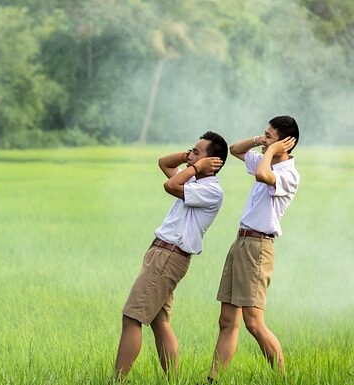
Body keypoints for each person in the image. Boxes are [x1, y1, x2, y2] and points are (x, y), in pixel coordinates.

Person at [114, 131, 228, 379]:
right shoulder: (195, 182)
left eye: (197, 152)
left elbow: (170, 185)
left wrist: (195, 166)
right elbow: (164, 163)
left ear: (213, 162)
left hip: (168, 256)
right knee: (159, 321)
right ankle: (174, 380)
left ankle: (115, 380)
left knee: (132, 317)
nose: (190, 157)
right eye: (191, 151)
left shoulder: (211, 191)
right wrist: (191, 158)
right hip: (163, 254)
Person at [205, 116, 300, 383]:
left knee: (254, 322)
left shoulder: (288, 174)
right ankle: (213, 379)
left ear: (284, 144)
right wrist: (262, 141)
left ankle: (281, 378)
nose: (263, 139)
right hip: (241, 242)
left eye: (269, 135)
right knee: (227, 320)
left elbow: (262, 174)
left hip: (259, 247)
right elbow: (235, 149)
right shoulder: (265, 158)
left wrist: (271, 150)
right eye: (264, 134)